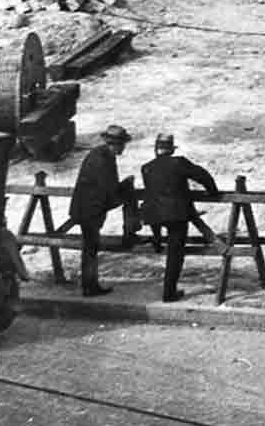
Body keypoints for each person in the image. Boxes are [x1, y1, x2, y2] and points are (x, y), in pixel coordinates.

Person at [139, 133, 219, 303]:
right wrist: (213, 192)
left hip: (153, 216)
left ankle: (157, 241)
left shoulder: (146, 167)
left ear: (156, 150)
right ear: (171, 150)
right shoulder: (179, 163)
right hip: (176, 214)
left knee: (165, 245)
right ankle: (169, 292)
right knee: (175, 252)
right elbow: (203, 175)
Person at [66, 124, 136, 296]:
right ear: (117, 144)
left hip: (85, 209)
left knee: (90, 248)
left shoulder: (99, 154)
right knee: (90, 249)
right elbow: (109, 190)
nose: (123, 148)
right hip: (90, 211)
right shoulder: (104, 160)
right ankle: (90, 287)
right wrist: (126, 187)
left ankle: (89, 285)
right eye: (122, 145)